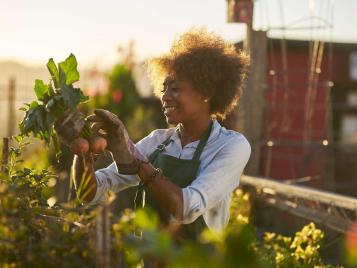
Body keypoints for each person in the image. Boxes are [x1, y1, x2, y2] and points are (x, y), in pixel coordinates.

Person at [58, 28, 251, 239]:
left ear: (205, 92)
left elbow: (185, 208)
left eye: (175, 88)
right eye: (164, 88)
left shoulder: (230, 146)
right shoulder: (159, 141)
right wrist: (83, 151)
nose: (165, 97)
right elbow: (90, 193)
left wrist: (135, 159)